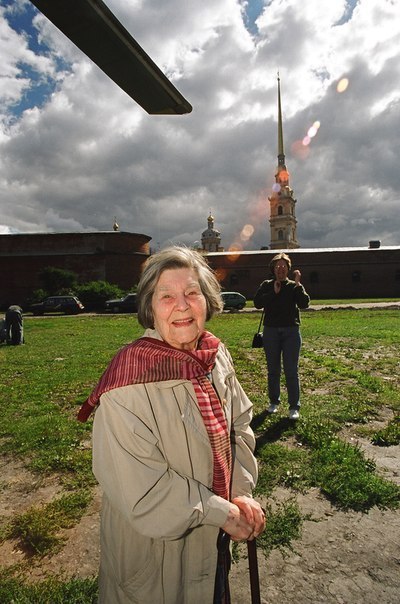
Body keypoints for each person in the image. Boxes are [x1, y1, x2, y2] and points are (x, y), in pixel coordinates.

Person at [78, 246, 265, 604]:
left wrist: (240, 491)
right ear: (149, 308)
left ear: (207, 301)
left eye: (192, 293)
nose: (182, 305)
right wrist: (223, 513)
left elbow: (239, 425)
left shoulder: (215, 355)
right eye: (167, 296)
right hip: (155, 558)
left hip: (212, 545)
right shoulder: (127, 385)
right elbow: (143, 491)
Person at [254, 253, 310, 420]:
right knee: (273, 370)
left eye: (283, 266)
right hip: (271, 332)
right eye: (277, 266)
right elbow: (257, 303)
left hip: (291, 332)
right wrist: (274, 293)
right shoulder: (266, 285)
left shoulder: (294, 286)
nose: (280, 269)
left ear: (288, 269)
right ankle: (274, 402)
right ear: (273, 269)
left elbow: (304, 303)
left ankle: (294, 406)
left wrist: (299, 284)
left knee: (291, 370)